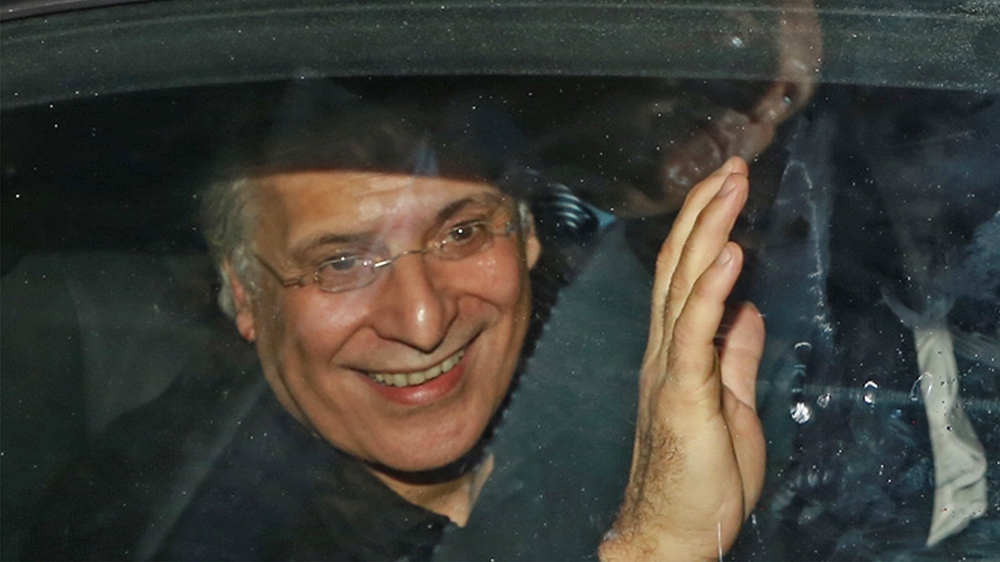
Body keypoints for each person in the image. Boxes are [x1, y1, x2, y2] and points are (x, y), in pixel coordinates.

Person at [23, 89, 765, 561]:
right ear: (244, 296)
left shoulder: (605, 372)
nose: (422, 319)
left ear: (531, 237)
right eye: (342, 263)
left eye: (462, 234)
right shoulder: (163, 522)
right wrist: (661, 550)